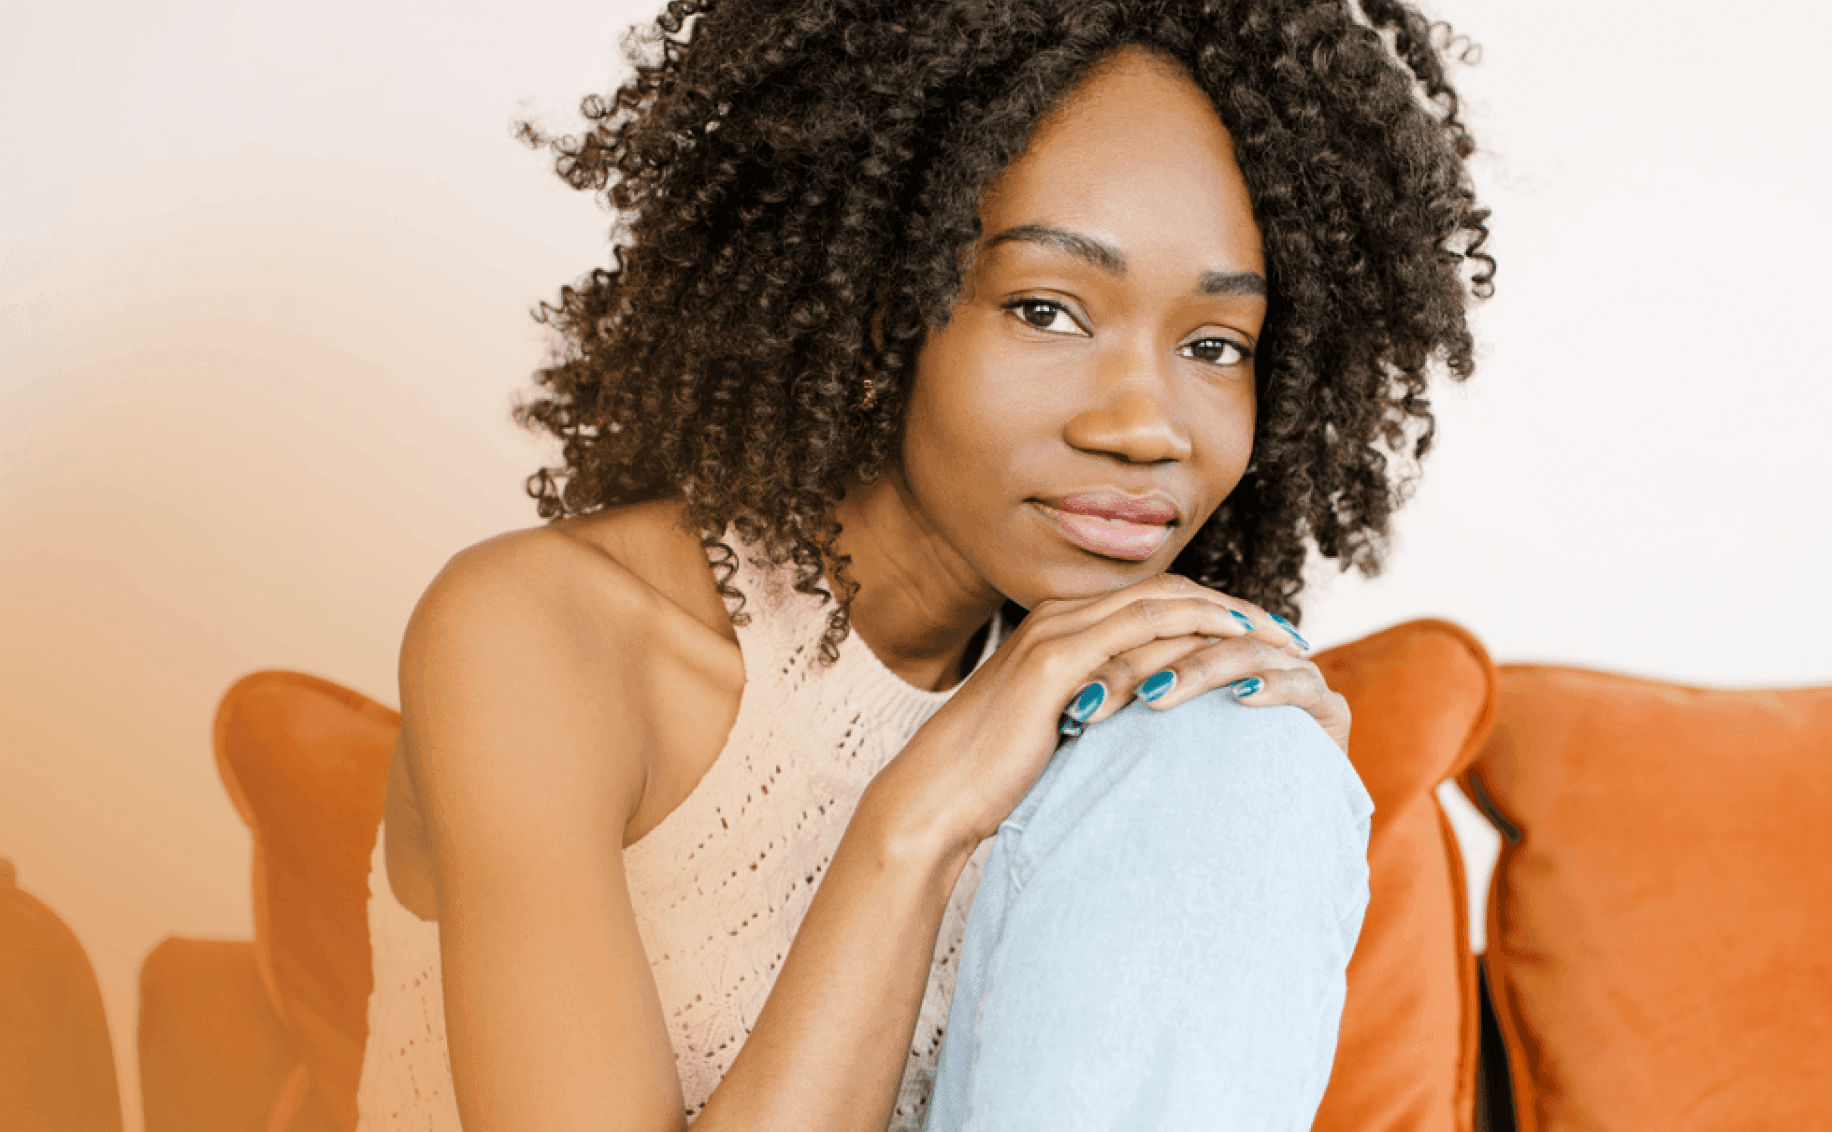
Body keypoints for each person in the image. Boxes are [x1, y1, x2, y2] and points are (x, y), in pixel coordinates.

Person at [353, 1, 1492, 1130]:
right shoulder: (537, 633)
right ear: (869, 316)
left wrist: (1256, 829)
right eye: (1048, 309)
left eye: (1213, 346)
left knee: (1246, 770)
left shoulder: (1116, 717)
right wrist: (916, 818)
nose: (1150, 426)